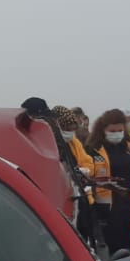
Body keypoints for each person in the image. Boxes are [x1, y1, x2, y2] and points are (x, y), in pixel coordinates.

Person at [88, 109, 130, 256]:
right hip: (108, 208)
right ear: (103, 130)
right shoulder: (94, 149)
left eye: (120, 130)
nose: (117, 133)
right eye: (112, 131)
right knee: (114, 250)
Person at [55, 105, 97, 244]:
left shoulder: (74, 142)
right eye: (67, 130)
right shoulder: (50, 144)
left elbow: (88, 162)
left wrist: (84, 170)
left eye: (72, 130)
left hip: (79, 195)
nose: (70, 133)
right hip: (61, 199)